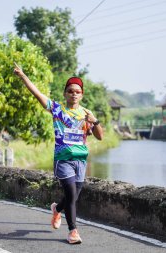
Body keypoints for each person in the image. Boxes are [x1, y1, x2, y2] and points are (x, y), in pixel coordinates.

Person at [14, 65, 103, 244]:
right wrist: (23, 75)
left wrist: (95, 121)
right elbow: (37, 94)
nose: (74, 94)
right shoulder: (57, 110)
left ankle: (56, 209)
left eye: (77, 91)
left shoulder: (87, 113)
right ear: (65, 94)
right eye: (70, 91)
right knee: (71, 194)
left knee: (73, 197)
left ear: (82, 95)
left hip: (81, 161)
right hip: (63, 160)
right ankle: (73, 231)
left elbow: (100, 136)